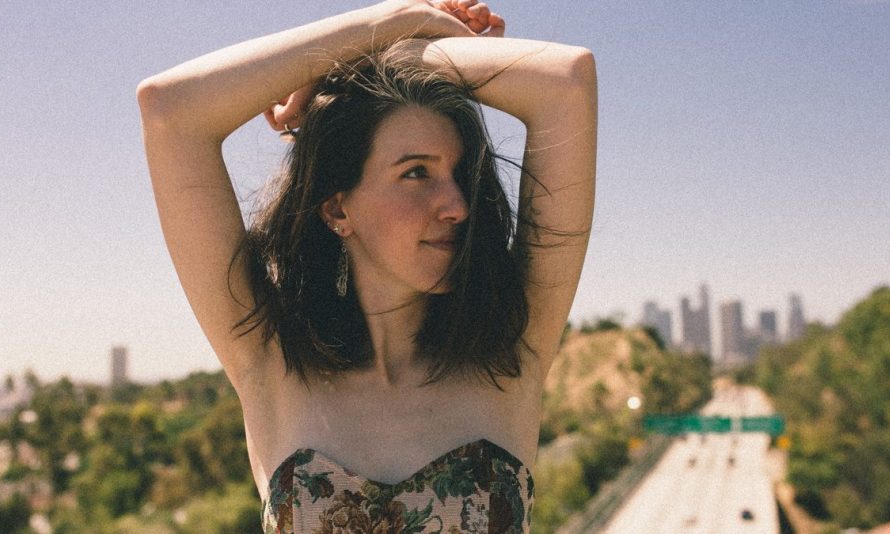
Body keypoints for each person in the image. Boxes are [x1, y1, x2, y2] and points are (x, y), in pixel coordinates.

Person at [137, 1, 596, 532]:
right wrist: (397, 20)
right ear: (338, 209)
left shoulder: (513, 348)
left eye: (460, 173)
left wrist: (393, 54)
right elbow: (169, 109)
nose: (457, 205)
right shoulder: (269, 359)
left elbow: (568, 81)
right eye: (417, 172)